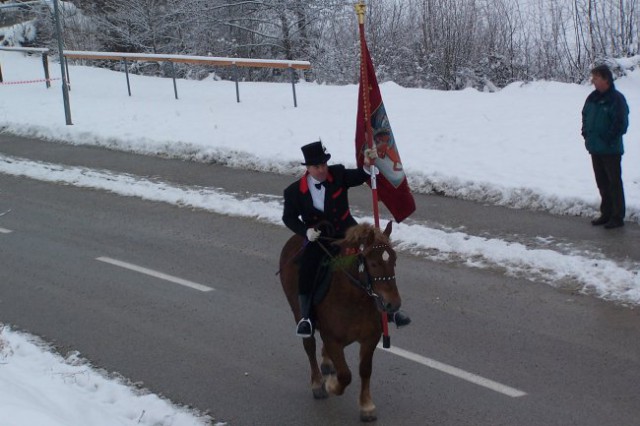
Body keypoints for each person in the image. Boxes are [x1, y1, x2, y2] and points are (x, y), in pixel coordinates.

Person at [282, 141, 411, 338]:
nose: (322, 169)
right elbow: (288, 217)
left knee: (375, 258)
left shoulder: (339, 174)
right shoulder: (293, 192)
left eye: (324, 165)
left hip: (348, 231)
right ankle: (306, 318)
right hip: (319, 238)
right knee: (307, 268)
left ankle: (390, 311)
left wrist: (368, 164)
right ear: (308, 168)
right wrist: (305, 231)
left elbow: (361, 176)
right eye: (317, 166)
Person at [581, 64, 630, 229]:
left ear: (605, 80)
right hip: (595, 148)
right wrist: (586, 134)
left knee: (614, 182)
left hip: (610, 149)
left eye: (596, 78)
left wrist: (608, 139)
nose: (593, 81)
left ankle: (617, 216)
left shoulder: (616, 99)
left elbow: (621, 123)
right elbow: (585, 115)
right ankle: (606, 213)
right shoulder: (592, 97)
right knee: (601, 182)